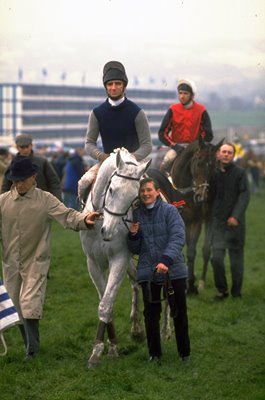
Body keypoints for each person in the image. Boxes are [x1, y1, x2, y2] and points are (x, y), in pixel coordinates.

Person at [0, 157, 99, 360]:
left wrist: (85, 219)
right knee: (16, 305)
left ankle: (32, 351)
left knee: (29, 303)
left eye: (22, 180)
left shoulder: (45, 199)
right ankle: (29, 344)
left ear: (33, 177)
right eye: (15, 180)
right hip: (10, 263)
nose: (18, 184)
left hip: (36, 260)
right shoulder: (2, 202)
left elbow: (68, 215)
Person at [127, 177, 190, 363]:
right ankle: (154, 354)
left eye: (149, 190)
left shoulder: (170, 210)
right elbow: (135, 249)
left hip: (173, 269)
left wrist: (166, 260)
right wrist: (133, 235)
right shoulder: (136, 215)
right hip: (148, 272)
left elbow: (178, 236)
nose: (146, 194)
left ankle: (184, 353)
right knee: (151, 315)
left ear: (157, 191)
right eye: (142, 191)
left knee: (178, 312)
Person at [78, 61, 152, 200]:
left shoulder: (137, 112)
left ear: (124, 86)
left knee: (150, 191)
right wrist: (102, 157)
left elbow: (147, 145)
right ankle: (85, 218)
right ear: (105, 87)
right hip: (106, 163)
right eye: (110, 84)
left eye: (118, 84)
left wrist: (130, 159)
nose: (113, 88)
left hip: (133, 165)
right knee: (83, 183)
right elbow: (89, 143)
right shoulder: (97, 113)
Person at [210, 143, 250, 301]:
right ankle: (222, 291)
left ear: (233, 155)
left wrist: (236, 216)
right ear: (218, 154)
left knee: (236, 261)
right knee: (216, 258)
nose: (226, 154)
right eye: (223, 152)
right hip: (218, 225)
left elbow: (244, 196)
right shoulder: (213, 174)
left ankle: (236, 293)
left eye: (229, 152)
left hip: (235, 225)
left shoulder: (240, 173)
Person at [158, 78, 213, 172]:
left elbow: (208, 134)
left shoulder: (201, 110)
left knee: (210, 165)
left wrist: (197, 145)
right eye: (180, 93)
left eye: (185, 93)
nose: (182, 96)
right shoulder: (173, 109)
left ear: (192, 95)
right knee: (165, 162)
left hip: (197, 148)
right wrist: (174, 146)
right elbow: (162, 133)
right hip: (177, 148)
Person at [1, 134, 62, 200]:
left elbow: (53, 182)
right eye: (22, 147)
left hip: (42, 201)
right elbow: (6, 185)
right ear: (17, 147)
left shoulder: (42, 162)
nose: (25, 150)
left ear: (31, 146)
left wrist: (57, 200)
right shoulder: (12, 164)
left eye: (27, 147)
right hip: (20, 203)